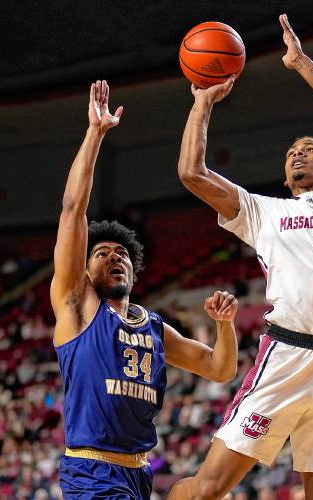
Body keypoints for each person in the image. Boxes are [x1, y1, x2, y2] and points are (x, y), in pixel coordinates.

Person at [170, 13, 313, 500]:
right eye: (291, 153)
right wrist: (202, 103)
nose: (297, 154)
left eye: (308, 149)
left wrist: (301, 63)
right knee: (207, 491)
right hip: (287, 357)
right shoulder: (266, 212)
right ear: (286, 180)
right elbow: (191, 173)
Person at [51, 80, 240, 499]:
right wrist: (95, 134)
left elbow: (220, 370)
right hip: (90, 470)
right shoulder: (77, 307)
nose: (113, 257)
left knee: (202, 491)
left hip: (139, 474)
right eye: (101, 253)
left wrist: (225, 326)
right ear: (84, 270)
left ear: (133, 271)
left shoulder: (153, 326)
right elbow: (73, 210)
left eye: (121, 254)